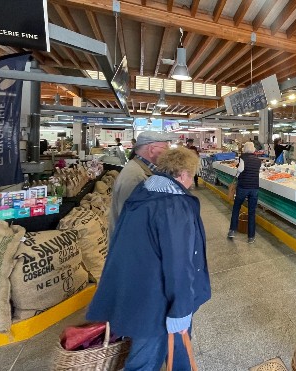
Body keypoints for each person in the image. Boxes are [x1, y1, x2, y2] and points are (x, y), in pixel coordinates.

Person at [87, 147, 210, 370]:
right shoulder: (173, 205)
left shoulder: (144, 191)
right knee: (145, 360)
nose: (192, 181)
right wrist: (181, 310)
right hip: (158, 300)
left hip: (138, 290)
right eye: (192, 176)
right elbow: (179, 263)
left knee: (158, 352)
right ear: (183, 174)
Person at [109, 131, 170, 236]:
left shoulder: (140, 170)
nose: (168, 154)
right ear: (151, 150)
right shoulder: (135, 177)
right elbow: (133, 224)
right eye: (166, 149)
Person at [227, 142, 260, 243]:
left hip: (243, 187)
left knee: (236, 208)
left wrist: (237, 173)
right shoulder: (258, 160)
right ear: (253, 149)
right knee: (252, 212)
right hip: (254, 188)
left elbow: (240, 169)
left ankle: (232, 231)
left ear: (245, 149)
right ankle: (251, 237)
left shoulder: (243, 158)